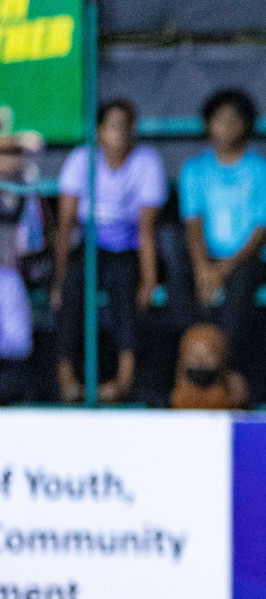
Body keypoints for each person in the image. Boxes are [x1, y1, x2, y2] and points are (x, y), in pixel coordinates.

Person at [52, 99, 165, 404]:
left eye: (127, 127)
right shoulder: (80, 160)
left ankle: (123, 380)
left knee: (125, 287)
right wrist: (57, 281)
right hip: (88, 247)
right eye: (113, 126)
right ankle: (67, 379)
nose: (121, 134)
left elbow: (146, 229)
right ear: (100, 131)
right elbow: (65, 225)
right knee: (73, 287)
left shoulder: (146, 162)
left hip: (126, 249)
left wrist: (149, 279)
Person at [172, 89, 266, 400]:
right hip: (205, 258)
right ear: (208, 125)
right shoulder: (194, 169)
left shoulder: (262, 170)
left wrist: (222, 271)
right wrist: (203, 268)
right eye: (219, 120)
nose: (227, 126)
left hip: (246, 258)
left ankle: (224, 369)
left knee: (242, 280)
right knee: (180, 276)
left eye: (234, 120)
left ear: (246, 125)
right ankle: (191, 367)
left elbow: (261, 230)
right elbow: (192, 223)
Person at [0, 129, 42, 405]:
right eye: (6, 154)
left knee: (16, 340)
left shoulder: (26, 194)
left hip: (12, 274)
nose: (12, 160)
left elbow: (32, 244)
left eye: (17, 155)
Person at [169, 323, 248, 410]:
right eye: (194, 357)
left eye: (208, 356)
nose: (200, 363)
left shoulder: (234, 393)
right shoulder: (175, 392)